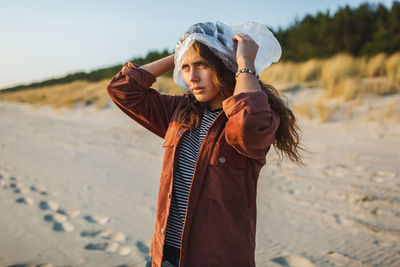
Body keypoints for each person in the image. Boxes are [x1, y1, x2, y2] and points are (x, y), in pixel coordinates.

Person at [106, 21, 303, 267]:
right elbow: (122, 89)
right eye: (185, 67)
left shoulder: (258, 116)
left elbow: (247, 123)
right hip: (163, 257)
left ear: (224, 63)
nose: (191, 77)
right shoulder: (178, 112)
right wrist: (181, 53)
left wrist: (245, 65)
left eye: (202, 65)